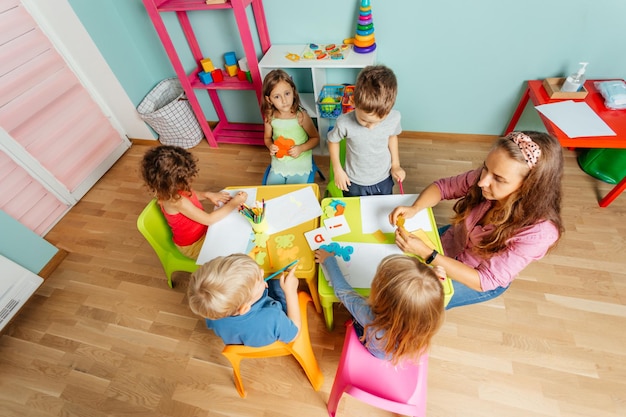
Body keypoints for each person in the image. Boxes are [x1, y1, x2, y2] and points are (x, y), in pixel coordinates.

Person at [389, 131, 564, 309]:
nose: (482, 182)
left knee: (413, 303)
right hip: (451, 242)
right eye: (485, 168)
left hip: (473, 277)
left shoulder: (540, 232)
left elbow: (484, 280)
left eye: (498, 179)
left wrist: (428, 254)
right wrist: (415, 208)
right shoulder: (486, 177)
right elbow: (442, 187)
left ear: (528, 186)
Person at [315, 249, 445, 364]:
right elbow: (418, 297)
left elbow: (342, 292)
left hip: (375, 348)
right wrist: (431, 278)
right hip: (400, 350)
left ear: (380, 299)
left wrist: (328, 260)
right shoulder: (427, 319)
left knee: (356, 314)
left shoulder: (368, 315)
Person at [140, 145, 247, 259]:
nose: (190, 181)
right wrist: (234, 203)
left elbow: (191, 194)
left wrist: (207, 195)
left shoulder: (170, 190)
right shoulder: (177, 202)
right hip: (194, 245)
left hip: (204, 232)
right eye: (186, 178)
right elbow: (209, 219)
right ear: (174, 182)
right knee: (234, 251)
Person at [187, 254, 301, 347]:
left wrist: (257, 285)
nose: (262, 272)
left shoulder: (212, 310)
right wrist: (291, 292)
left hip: (244, 333)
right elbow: (294, 335)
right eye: (260, 280)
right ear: (244, 307)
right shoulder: (273, 317)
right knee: (278, 283)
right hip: (270, 328)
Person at [327, 65, 406, 197]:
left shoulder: (394, 117)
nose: (370, 127)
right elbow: (332, 141)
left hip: (383, 178)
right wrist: (338, 170)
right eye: (364, 120)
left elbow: (392, 137)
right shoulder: (344, 122)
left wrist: (396, 164)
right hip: (354, 181)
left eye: (377, 122)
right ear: (353, 102)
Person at [262, 69, 320, 184]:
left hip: (300, 161)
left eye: (287, 94)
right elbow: (267, 138)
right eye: (277, 97)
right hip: (279, 162)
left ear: (293, 92)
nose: (284, 100)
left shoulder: (301, 116)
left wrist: (301, 148)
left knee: (294, 194)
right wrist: (270, 146)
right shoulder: (269, 117)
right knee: (272, 195)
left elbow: (315, 138)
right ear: (269, 100)